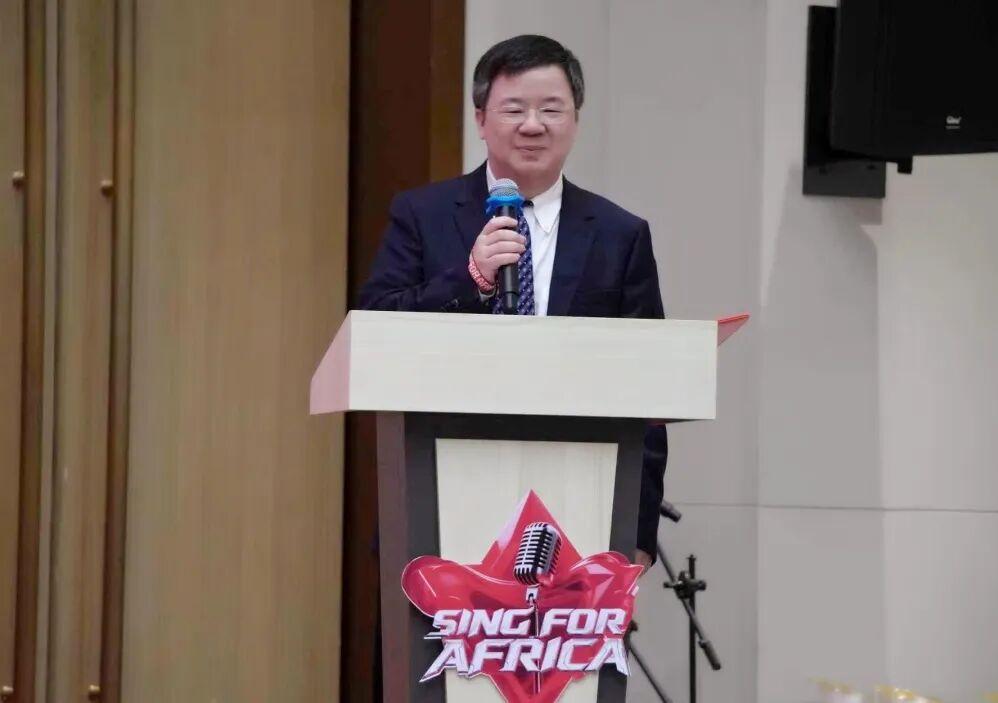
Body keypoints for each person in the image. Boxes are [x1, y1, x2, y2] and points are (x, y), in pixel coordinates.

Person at [359, 34, 667, 570]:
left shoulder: (620, 234)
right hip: (441, 491)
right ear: (481, 119)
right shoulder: (423, 214)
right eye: (514, 109)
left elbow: (652, 397)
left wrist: (636, 531)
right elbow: (374, 328)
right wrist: (471, 278)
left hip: (579, 504)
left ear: (575, 120)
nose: (533, 125)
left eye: (551, 109)